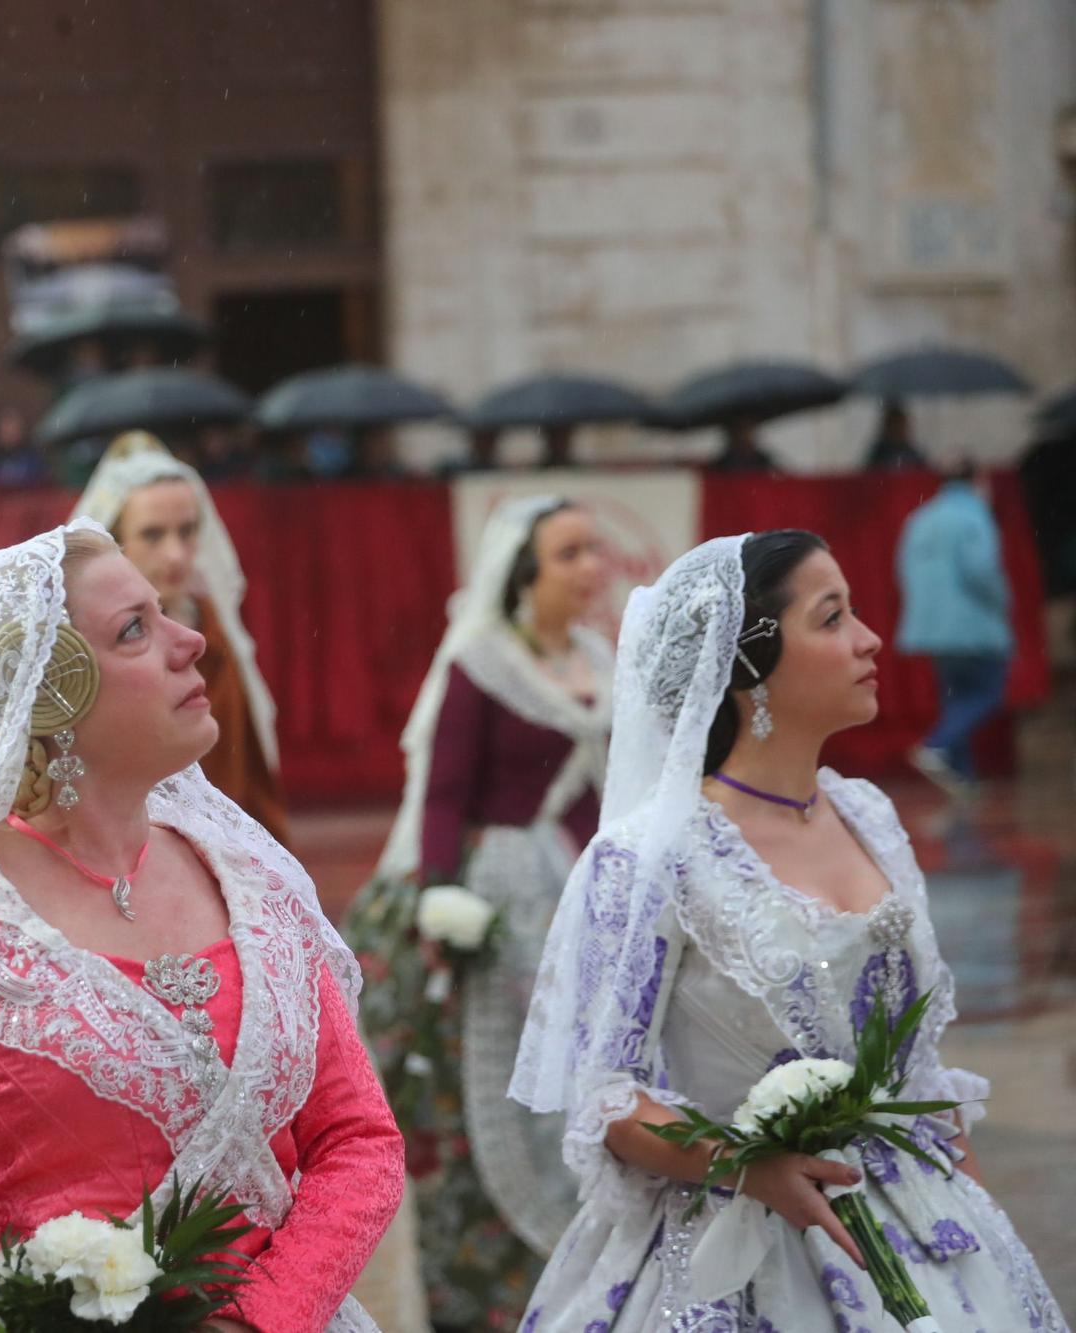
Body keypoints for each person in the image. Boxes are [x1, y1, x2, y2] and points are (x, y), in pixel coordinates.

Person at [0, 521, 404, 1331]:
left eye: (162, 614)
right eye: (135, 630)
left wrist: (262, 1317)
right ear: (47, 694)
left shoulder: (254, 880)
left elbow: (360, 1139)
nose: (190, 642)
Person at [508, 530, 1066, 1330]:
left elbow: (922, 1076)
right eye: (832, 617)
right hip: (731, 1239)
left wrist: (985, 1235)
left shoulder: (870, 815)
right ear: (747, 667)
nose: (870, 639)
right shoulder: (651, 855)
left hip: (923, 1221)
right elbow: (606, 1093)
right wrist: (747, 1164)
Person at [342, 496, 612, 1331]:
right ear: (525, 573)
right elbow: (445, 794)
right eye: (568, 553)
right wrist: (439, 899)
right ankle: (494, 1274)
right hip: (494, 883)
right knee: (491, 1074)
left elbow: (603, 787)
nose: (590, 568)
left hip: (574, 879)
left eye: (592, 550)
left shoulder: (599, 658)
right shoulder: (481, 664)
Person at [73, 431, 290, 842]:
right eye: (153, 535)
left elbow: (240, 782)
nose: (175, 554)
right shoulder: (78, 646)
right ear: (115, 541)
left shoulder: (208, 634)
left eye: (187, 532)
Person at [896, 467, 1014, 797]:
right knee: (987, 692)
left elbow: (902, 570)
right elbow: (982, 570)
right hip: (973, 624)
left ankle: (963, 775)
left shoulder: (920, 518)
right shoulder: (974, 516)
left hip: (931, 627)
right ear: (977, 481)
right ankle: (937, 745)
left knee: (956, 698)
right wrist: (1004, 601)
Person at [865, 400, 930, 471]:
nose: (896, 429)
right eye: (893, 425)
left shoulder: (913, 453)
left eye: (899, 425)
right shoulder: (879, 453)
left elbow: (924, 472)